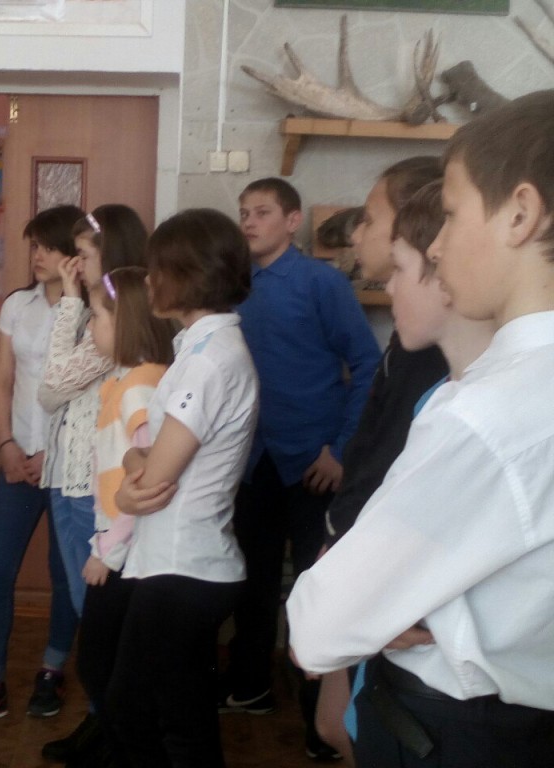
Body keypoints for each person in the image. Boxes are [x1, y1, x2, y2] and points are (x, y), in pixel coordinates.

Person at [287, 89, 554, 767]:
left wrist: (369, 607)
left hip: (455, 732)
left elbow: (320, 627)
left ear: (520, 213)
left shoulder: (487, 413)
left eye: (453, 214)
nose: (437, 243)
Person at [221, 177, 381, 759]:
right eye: (244, 212)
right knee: (252, 582)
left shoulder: (321, 282)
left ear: (292, 221)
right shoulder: (233, 284)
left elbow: (367, 363)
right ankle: (250, 687)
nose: (249, 222)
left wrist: (340, 450)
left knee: (317, 587)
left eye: (262, 212)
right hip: (252, 460)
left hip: (315, 463)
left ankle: (321, 723)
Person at [106, 208, 258, 768]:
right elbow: (144, 456)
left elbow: (153, 479)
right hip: (181, 564)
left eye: (156, 270)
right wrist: (133, 458)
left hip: (185, 567)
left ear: (187, 275)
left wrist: (130, 469)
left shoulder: (209, 360)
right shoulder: (199, 349)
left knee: (140, 715)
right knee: (180, 717)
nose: (148, 281)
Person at [313, 157, 449, 765]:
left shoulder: (436, 352)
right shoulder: (410, 333)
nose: (356, 233)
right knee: (340, 723)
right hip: (359, 558)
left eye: (370, 219)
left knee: (347, 725)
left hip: (380, 573)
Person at [0, 205, 82, 734]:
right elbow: (2, 379)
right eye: (34, 246)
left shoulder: (94, 310)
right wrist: (4, 444)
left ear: (73, 253)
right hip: (17, 459)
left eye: (48, 246)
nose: (38, 255)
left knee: (64, 573)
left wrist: (58, 452)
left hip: (69, 464)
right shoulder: (16, 305)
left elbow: (93, 393)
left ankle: (53, 670)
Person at [37, 205, 150, 764]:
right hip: (70, 477)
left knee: (98, 623)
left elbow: (50, 387)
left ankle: (112, 729)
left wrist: (70, 302)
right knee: (94, 621)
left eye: (83, 255)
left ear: (110, 255)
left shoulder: (114, 318)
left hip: (90, 490)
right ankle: (104, 722)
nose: (74, 265)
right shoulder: (100, 315)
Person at [67, 266, 175, 767]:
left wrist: (107, 552)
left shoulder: (139, 386)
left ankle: (127, 752)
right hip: (119, 546)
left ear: (126, 322)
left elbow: (147, 478)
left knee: (98, 663)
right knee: (102, 664)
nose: (90, 326)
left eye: (97, 317)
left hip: (124, 553)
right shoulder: (127, 380)